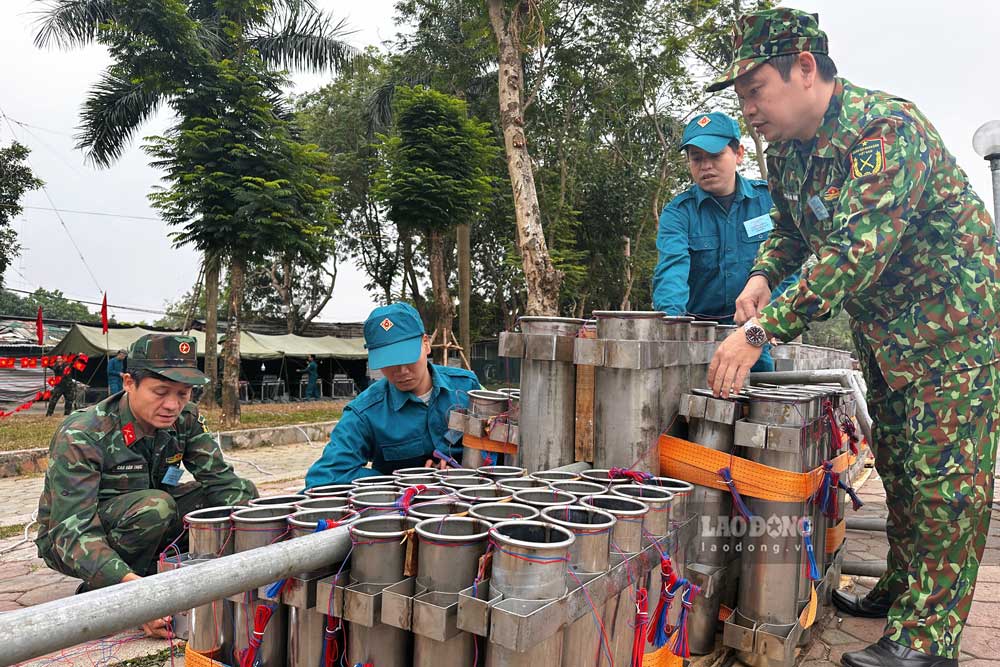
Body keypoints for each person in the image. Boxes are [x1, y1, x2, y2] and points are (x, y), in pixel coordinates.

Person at [705, 8, 999, 667]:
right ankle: (907, 590)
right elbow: (789, 232)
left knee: (946, 485)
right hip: (888, 338)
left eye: (755, 90)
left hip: (954, 333)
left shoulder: (887, 129)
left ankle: (929, 641)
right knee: (901, 468)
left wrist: (759, 331)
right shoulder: (786, 153)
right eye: (742, 96)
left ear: (805, 68)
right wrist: (761, 276)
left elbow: (850, 254)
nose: (749, 109)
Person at [35, 334, 257, 637]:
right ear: (129, 382)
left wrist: (262, 542)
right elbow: (71, 531)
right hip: (73, 538)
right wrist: (138, 602)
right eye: (160, 391)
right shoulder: (83, 434)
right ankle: (112, 591)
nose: (172, 405)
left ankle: (169, 571)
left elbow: (222, 481)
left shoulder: (186, 418)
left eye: (183, 393)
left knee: (239, 495)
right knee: (156, 507)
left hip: (145, 519)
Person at [652, 110, 797, 371]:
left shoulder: (768, 201)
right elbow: (671, 271)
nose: (705, 166)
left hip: (754, 329)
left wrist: (766, 324)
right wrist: (673, 327)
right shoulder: (679, 213)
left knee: (761, 393)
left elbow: (787, 269)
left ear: (739, 154)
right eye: (697, 158)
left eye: (715, 156)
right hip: (696, 333)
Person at [304, 302, 480, 486]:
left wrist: (463, 468)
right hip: (400, 508)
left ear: (426, 344)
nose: (401, 370)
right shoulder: (366, 412)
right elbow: (323, 478)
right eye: (389, 361)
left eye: (408, 357)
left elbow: (497, 446)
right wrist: (400, 483)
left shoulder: (467, 387)